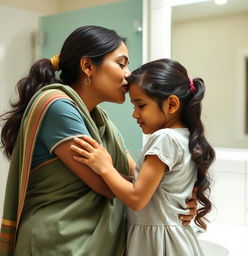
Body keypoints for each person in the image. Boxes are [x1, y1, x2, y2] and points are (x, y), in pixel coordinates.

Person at [0, 26, 197, 256]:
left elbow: (136, 177)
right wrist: (157, 191)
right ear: (87, 66)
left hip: (82, 240)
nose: (128, 74)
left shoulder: (99, 119)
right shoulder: (57, 107)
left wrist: (175, 196)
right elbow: (106, 185)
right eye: (121, 64)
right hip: (56, 241)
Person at [70, 58, 215, 256]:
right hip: (177, 241)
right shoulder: (184, 136)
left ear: (171, 104)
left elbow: (137, 198)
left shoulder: (164, 138)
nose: (135, 114)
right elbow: (154, 191)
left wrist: (105, 167)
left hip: (160, 246)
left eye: (141, 105)